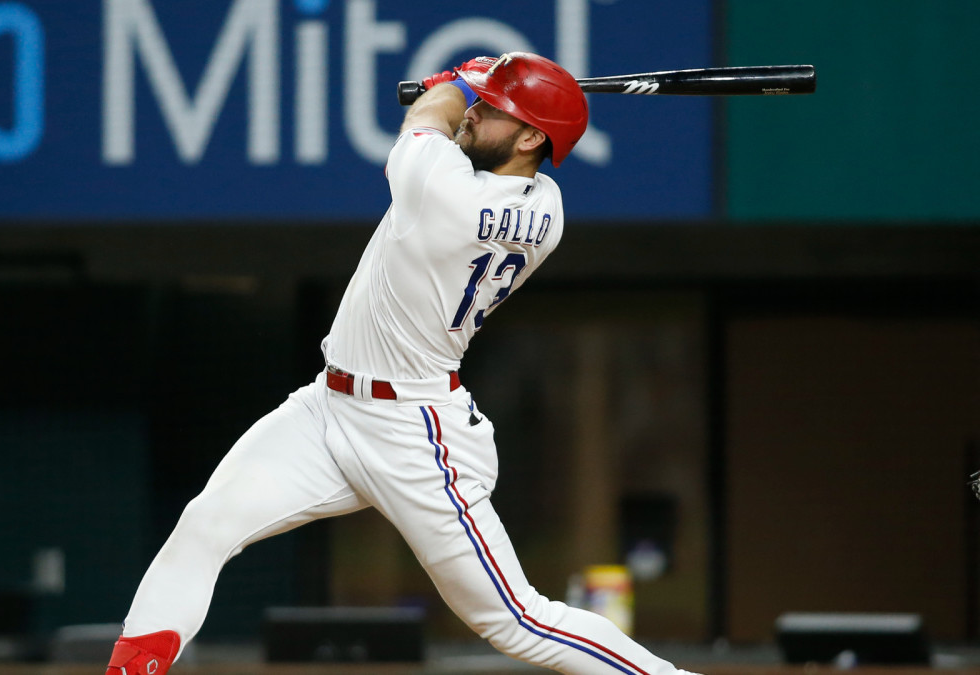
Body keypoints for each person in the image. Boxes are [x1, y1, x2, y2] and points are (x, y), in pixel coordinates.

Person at [106, 52, 704, 675]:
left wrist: (455, 81)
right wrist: (491, 88)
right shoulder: (546, 206)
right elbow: (460, 132)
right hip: (328, 410)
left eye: (496, 110)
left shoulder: (441, 193)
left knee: (515, 619)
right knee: (206, 524)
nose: (476, 114)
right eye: (480, 103)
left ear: (530, 137)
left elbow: (430, 115)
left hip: (416, 431)